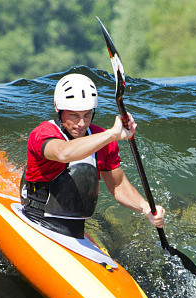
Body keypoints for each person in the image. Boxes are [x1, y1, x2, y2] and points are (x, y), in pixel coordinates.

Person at [21, 73, 165, 239]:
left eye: (87, 114)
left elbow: (118, 185)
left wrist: (145, 207)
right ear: (58, 109)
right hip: (37, 219)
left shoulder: (103, 139)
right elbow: (63, 153)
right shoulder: (43, 133)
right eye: (74, 115)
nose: (81, 123)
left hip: (75, 229)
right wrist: (112, 134)